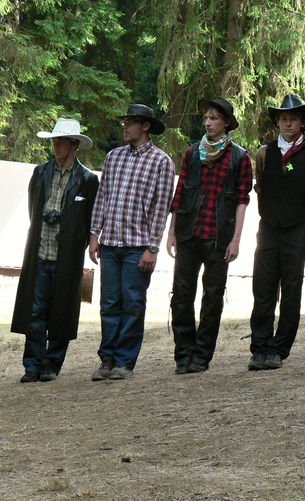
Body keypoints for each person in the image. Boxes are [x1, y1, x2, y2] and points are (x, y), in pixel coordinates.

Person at [89, 104, 175, 380]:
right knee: (109, 303)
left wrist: (152, 247)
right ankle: (107, 358)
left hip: (138, 245)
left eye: (130, 122)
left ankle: (124, 361)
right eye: (124, 122)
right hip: (111, 243)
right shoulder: (113, 157)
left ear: (145, 126)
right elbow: (102, 197)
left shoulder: (162, 162)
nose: (125, 126)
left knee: (133, 303)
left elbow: (161, 207)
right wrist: (94, 234)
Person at [167, 98, 252, 374]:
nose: (208, 122)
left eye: (214, 118)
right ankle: (183, 354)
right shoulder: (192, 153)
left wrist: (236, 239)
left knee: (213, 297)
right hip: (188, 233)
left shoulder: (239, 157)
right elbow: (179, 194)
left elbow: (242, 200)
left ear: (226, 123)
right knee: (181, 295)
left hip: (219, 236)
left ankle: (202, 356)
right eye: (206, 118)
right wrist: (172, 232)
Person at [11, 119, 99, 383]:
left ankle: (52, 364)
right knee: (35, 310)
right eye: (54, 140)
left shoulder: (87, 179)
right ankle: (32, 364)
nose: (56, 144)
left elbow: (89, 219)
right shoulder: (40, 173)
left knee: (62, 308)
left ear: (74, 145)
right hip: (39, 252)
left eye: (61, 141)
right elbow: (34, 209)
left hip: (67, 256)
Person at [248, 94, 305, 371]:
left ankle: (278, 350)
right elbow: (260, 189)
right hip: (268, 229)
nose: (287, 123)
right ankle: (259, 348)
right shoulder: (264, 153)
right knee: (263, 289)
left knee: (291, 291)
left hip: (297, 230)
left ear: (303, 123)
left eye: (293, 119)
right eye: (283, 118)